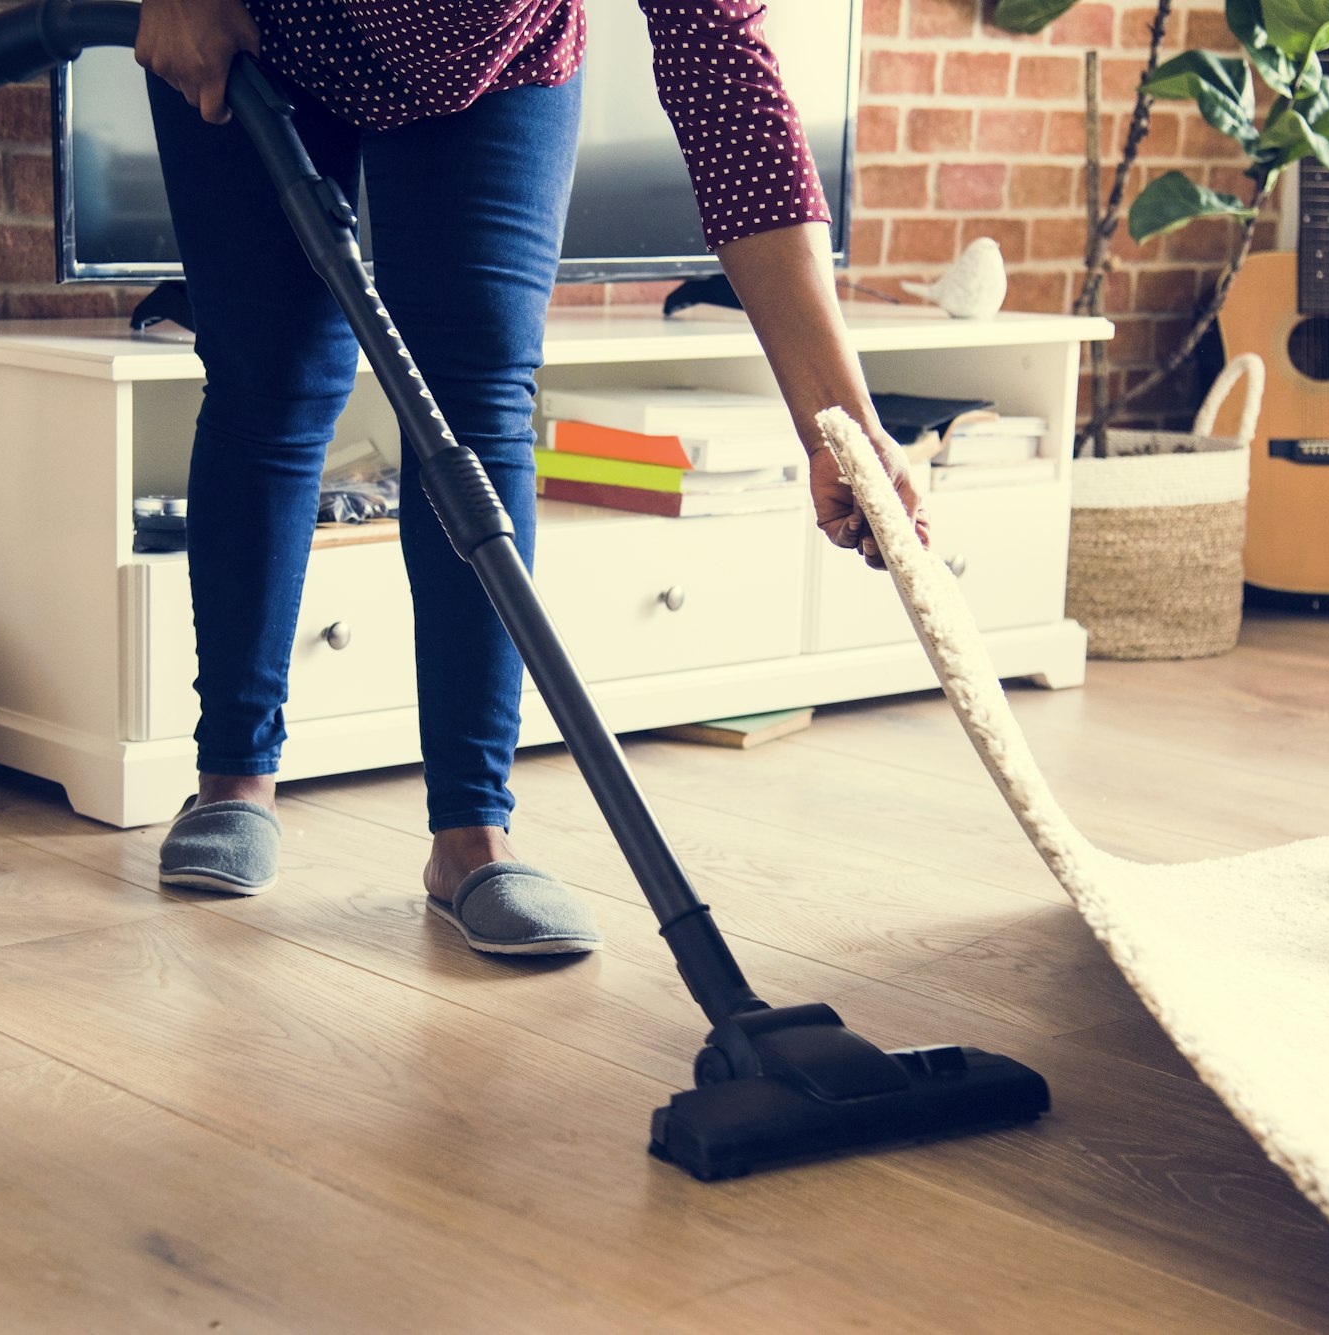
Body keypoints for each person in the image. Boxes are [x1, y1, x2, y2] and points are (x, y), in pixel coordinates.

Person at [141, 0, 928, 956]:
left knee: (473, 404)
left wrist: (838, 425)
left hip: (490, 58)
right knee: (271, 378)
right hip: (265, 23)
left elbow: (729, 92)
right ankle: (233, 778)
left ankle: (472, 834)